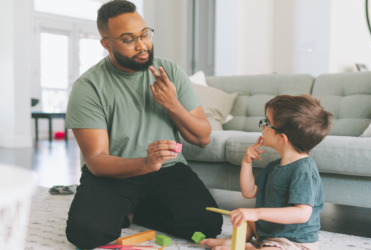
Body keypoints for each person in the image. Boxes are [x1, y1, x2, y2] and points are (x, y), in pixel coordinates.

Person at [64, 0, 222, 249]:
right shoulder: (89, 87)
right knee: (86, 234)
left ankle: (135, 212)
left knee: (208, 225)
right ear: (106, 44)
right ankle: (127, 206)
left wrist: (172, 104)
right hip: (115, 171)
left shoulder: (170, 71)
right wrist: (145, 163)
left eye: (144, 34)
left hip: (168, 169)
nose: (142, 45)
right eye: (128, 40)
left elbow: (202, 137)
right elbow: (96, 159)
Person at [200, 95, 333, 250]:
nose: (263, 127)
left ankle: (244, 247)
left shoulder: (304, 170)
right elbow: (249, 192)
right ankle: (241, 244)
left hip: (293, 242)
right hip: (269, 233)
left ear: (282, 138)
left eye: (267, 123)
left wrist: (258, 213)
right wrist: (246, 163)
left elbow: (302, 214)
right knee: (245, 219)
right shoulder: (273, 166)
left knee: (258, 227)